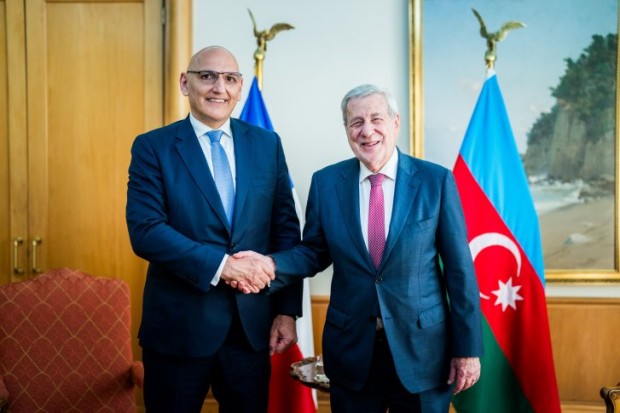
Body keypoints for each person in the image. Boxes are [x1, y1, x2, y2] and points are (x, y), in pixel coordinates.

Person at [235, 84, 483, 413]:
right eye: (356, 122)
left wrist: (468, 349)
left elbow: (460, 271)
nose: (367, 131)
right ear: (346, 130)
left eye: (377, 119)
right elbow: (313, 252)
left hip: (424, 353)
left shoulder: (435, 181)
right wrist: (270, 265)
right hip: (352, 352)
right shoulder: (326, 183)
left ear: (395, 123)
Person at [125, 45, 303, 413]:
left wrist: (287, 311)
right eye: (207, 76)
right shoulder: (153, 147)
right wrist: (224, 267)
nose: (219, 87)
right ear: (185, 83)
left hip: (250, 329)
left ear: (240, 88)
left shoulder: (267, 144)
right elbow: (146, 231)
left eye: (230, 79)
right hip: (178, 329)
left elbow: (285, 232)